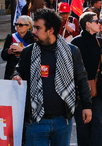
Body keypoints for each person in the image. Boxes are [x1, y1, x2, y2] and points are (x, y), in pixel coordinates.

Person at [13, 8, 92, 146]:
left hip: (63, 121)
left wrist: (87, 105)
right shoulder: (28, 52)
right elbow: (17, 71)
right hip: (35, 121)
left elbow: (81, 78)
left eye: (38, 28)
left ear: (50, 30)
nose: (34, 31)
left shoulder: (72, 51)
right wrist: (16, 76)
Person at [71, 12, 102, 146]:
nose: (100, 24)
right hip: (80, 93)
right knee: (83, 126)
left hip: (100, 91)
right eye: (97, 21)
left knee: (98, 125)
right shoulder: (76, 43)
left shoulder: (100, 42)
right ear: (88, 24)